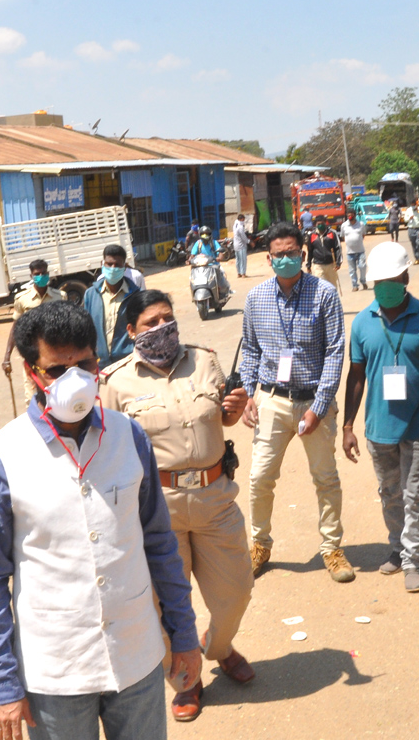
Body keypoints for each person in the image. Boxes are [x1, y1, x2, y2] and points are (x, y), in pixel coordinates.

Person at [0, 301, 198, 740]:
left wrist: (183, 635)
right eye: (57, 369)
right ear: (31, 371)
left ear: (98, 362)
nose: (74, 379)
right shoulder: (0, 460)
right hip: (55, 672)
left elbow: (160, 544)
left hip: (136, 656)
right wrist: (2, 685)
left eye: (86, 363)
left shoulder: (129, 437)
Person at [102, 290, 257, 720]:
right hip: (158, 509)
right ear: (131, 330)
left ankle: (217, 646)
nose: (161, 328)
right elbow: (109, 447)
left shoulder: (204, 359)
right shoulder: (114, 382)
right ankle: (186, 680)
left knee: (237, 591)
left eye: (166, 318)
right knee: (167, 604)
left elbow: (221, 419)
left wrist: (235, 408)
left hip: (215, 499)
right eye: (149, 322)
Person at [238, 222, 354, 583]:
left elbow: (335, 353)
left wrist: (319, 407)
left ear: (302, 255)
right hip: (272, 399)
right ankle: (259, 544)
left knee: (325, 478)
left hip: (312, 401)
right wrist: (248, 394)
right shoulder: (255, 298)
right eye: (278, 255)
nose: (285, 259)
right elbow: (250, 351)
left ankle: (332, 548)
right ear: (268, 258)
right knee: (259, 478)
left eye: (291, 253)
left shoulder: (324, 294)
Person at [341, 242, 419, 593]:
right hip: (378, 427)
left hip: (418, 424)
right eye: (378, 281)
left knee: (416, 495)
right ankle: (397, 547)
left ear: (405, 277)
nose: (385, 287)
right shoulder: (362, 323)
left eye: (391, 279)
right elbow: (356, 376)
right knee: (389, 492)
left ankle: (415, 559)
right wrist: (348, 426)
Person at [2, 259, 65, 398]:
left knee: (57, 397)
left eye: (44, 273)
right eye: (37, 274)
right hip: (32, 356)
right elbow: (15, 328)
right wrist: (7, 357)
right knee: (32, 399)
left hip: (55, 356)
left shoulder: (60, 297)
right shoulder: (22, 299)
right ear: (31, 276)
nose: (41, 276)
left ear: (48, 274)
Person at [83, 244, 142, 368]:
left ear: (124, 266)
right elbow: (86, 328)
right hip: (99, 363)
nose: (113, 268)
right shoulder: (91, 294)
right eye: (109, 264)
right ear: (102, 264)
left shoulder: (135, 295)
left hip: (127, 362)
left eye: (117, 265)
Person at [191, 227, 230, 297]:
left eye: (207, 234)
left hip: (213, 265)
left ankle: (222, 292)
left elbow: (220, 252)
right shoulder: (198, 243)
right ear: (200, 235)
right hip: (201, 266)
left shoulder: (214, 242)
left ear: (210, 234)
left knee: (219, 276)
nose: (205, 236)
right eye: (203, 234)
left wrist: (219, 257)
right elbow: (192, 255)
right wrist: (189, 260)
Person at [306, 217, 343, 291]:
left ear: (325, 223)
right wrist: (308, 265)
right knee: (320, 286)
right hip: (318, 265)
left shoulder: (332, 233)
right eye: (318, 224)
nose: (320, 225)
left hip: (331, 265)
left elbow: (338, 248)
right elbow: (310, 251)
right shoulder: (312, 235)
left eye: (322, 224)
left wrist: (338, 263)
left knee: (332, 287)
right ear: (315, 225)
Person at [340, 207, 369, 292]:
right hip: (350, 252)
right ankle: (355, 285)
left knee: (362, 266)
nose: (350, 217)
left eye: (351, 215)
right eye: (348, 215)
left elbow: (363, 235)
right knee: (352, 270)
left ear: (355, 215)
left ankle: (363, 281)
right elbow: (343, 236)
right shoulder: (344, 225)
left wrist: (357, 241)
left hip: (360, 251)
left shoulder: (361, 224)